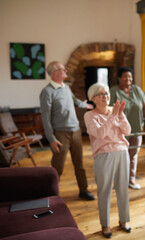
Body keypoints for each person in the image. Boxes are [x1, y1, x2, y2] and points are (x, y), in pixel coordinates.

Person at [39, 61, 95, 201]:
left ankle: (84, 190)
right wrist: (51, 139)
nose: (65, 70)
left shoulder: (67, 88)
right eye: (61, 69)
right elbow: (45, 118)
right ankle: (51, 195)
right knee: (57, 167)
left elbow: (76, 101)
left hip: (76, 131)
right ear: (53, 73)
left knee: (79, 165)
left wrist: (88, 105)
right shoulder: (47, 92)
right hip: (60, 134)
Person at [84, 83, 132, 238]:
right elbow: (101, 133)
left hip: (122, 152)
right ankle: (105, 225)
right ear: (93, 99)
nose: (106, 96)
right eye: (101, 94)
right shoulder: (89, 115)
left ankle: (124, 220)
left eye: (107, 93)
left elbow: (127, 130)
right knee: (104, 191)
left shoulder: (115, 110)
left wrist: (120, 114)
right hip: (104, 155)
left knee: (122, 188)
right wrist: (113, 116)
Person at [109, 67, 145, 190]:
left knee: (133, 155)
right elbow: (111, 110)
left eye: (130, 76)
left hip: (136, 128)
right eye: (124, 76)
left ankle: (131, 180)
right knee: (120, 155)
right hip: (119, 131)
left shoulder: (137, 90)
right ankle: (118, 181)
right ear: (119, 78)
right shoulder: (114, 91)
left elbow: (144, 107)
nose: (128, 79)